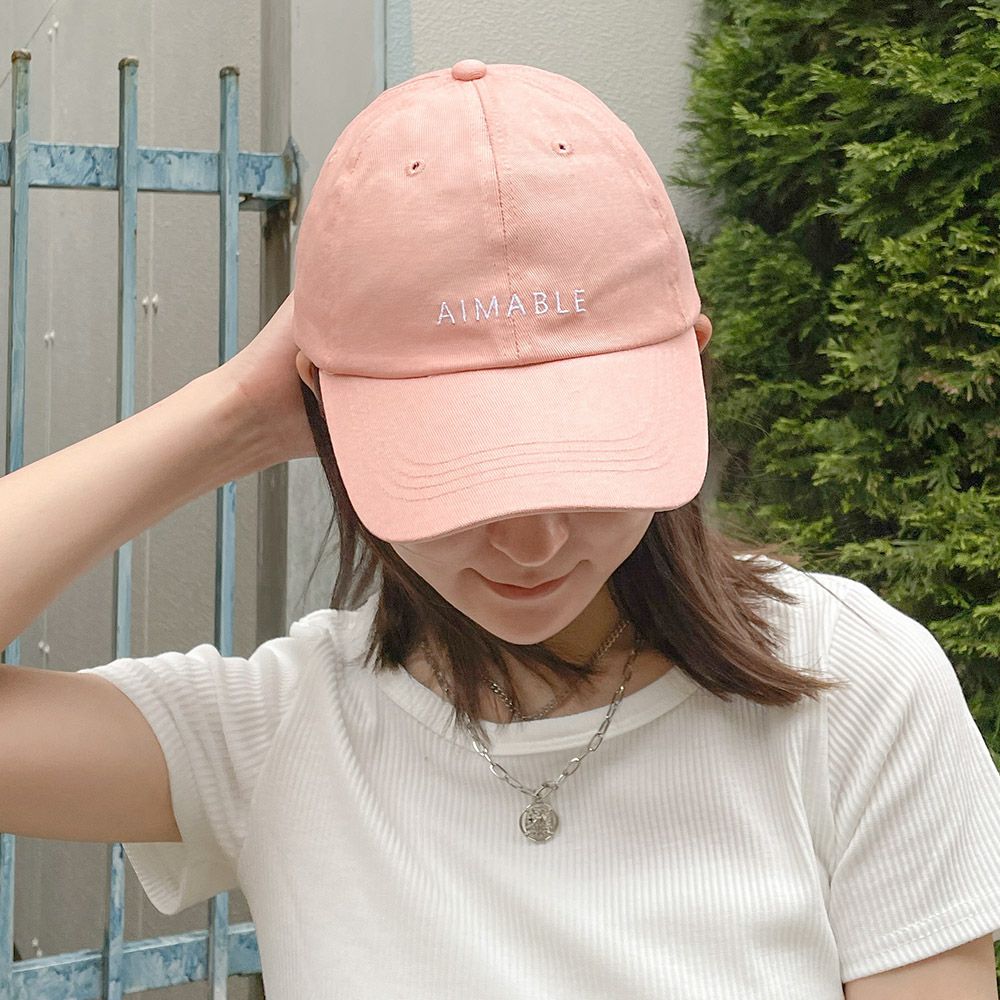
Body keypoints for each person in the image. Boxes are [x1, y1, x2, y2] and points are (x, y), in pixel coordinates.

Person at [1, 59, 999, 1000]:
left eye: (586, 453)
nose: (532, 544)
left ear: (687, 371)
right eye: (458, 469)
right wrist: (235, 414)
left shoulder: (850, 685)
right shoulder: (277, 735)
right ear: (327, 408)